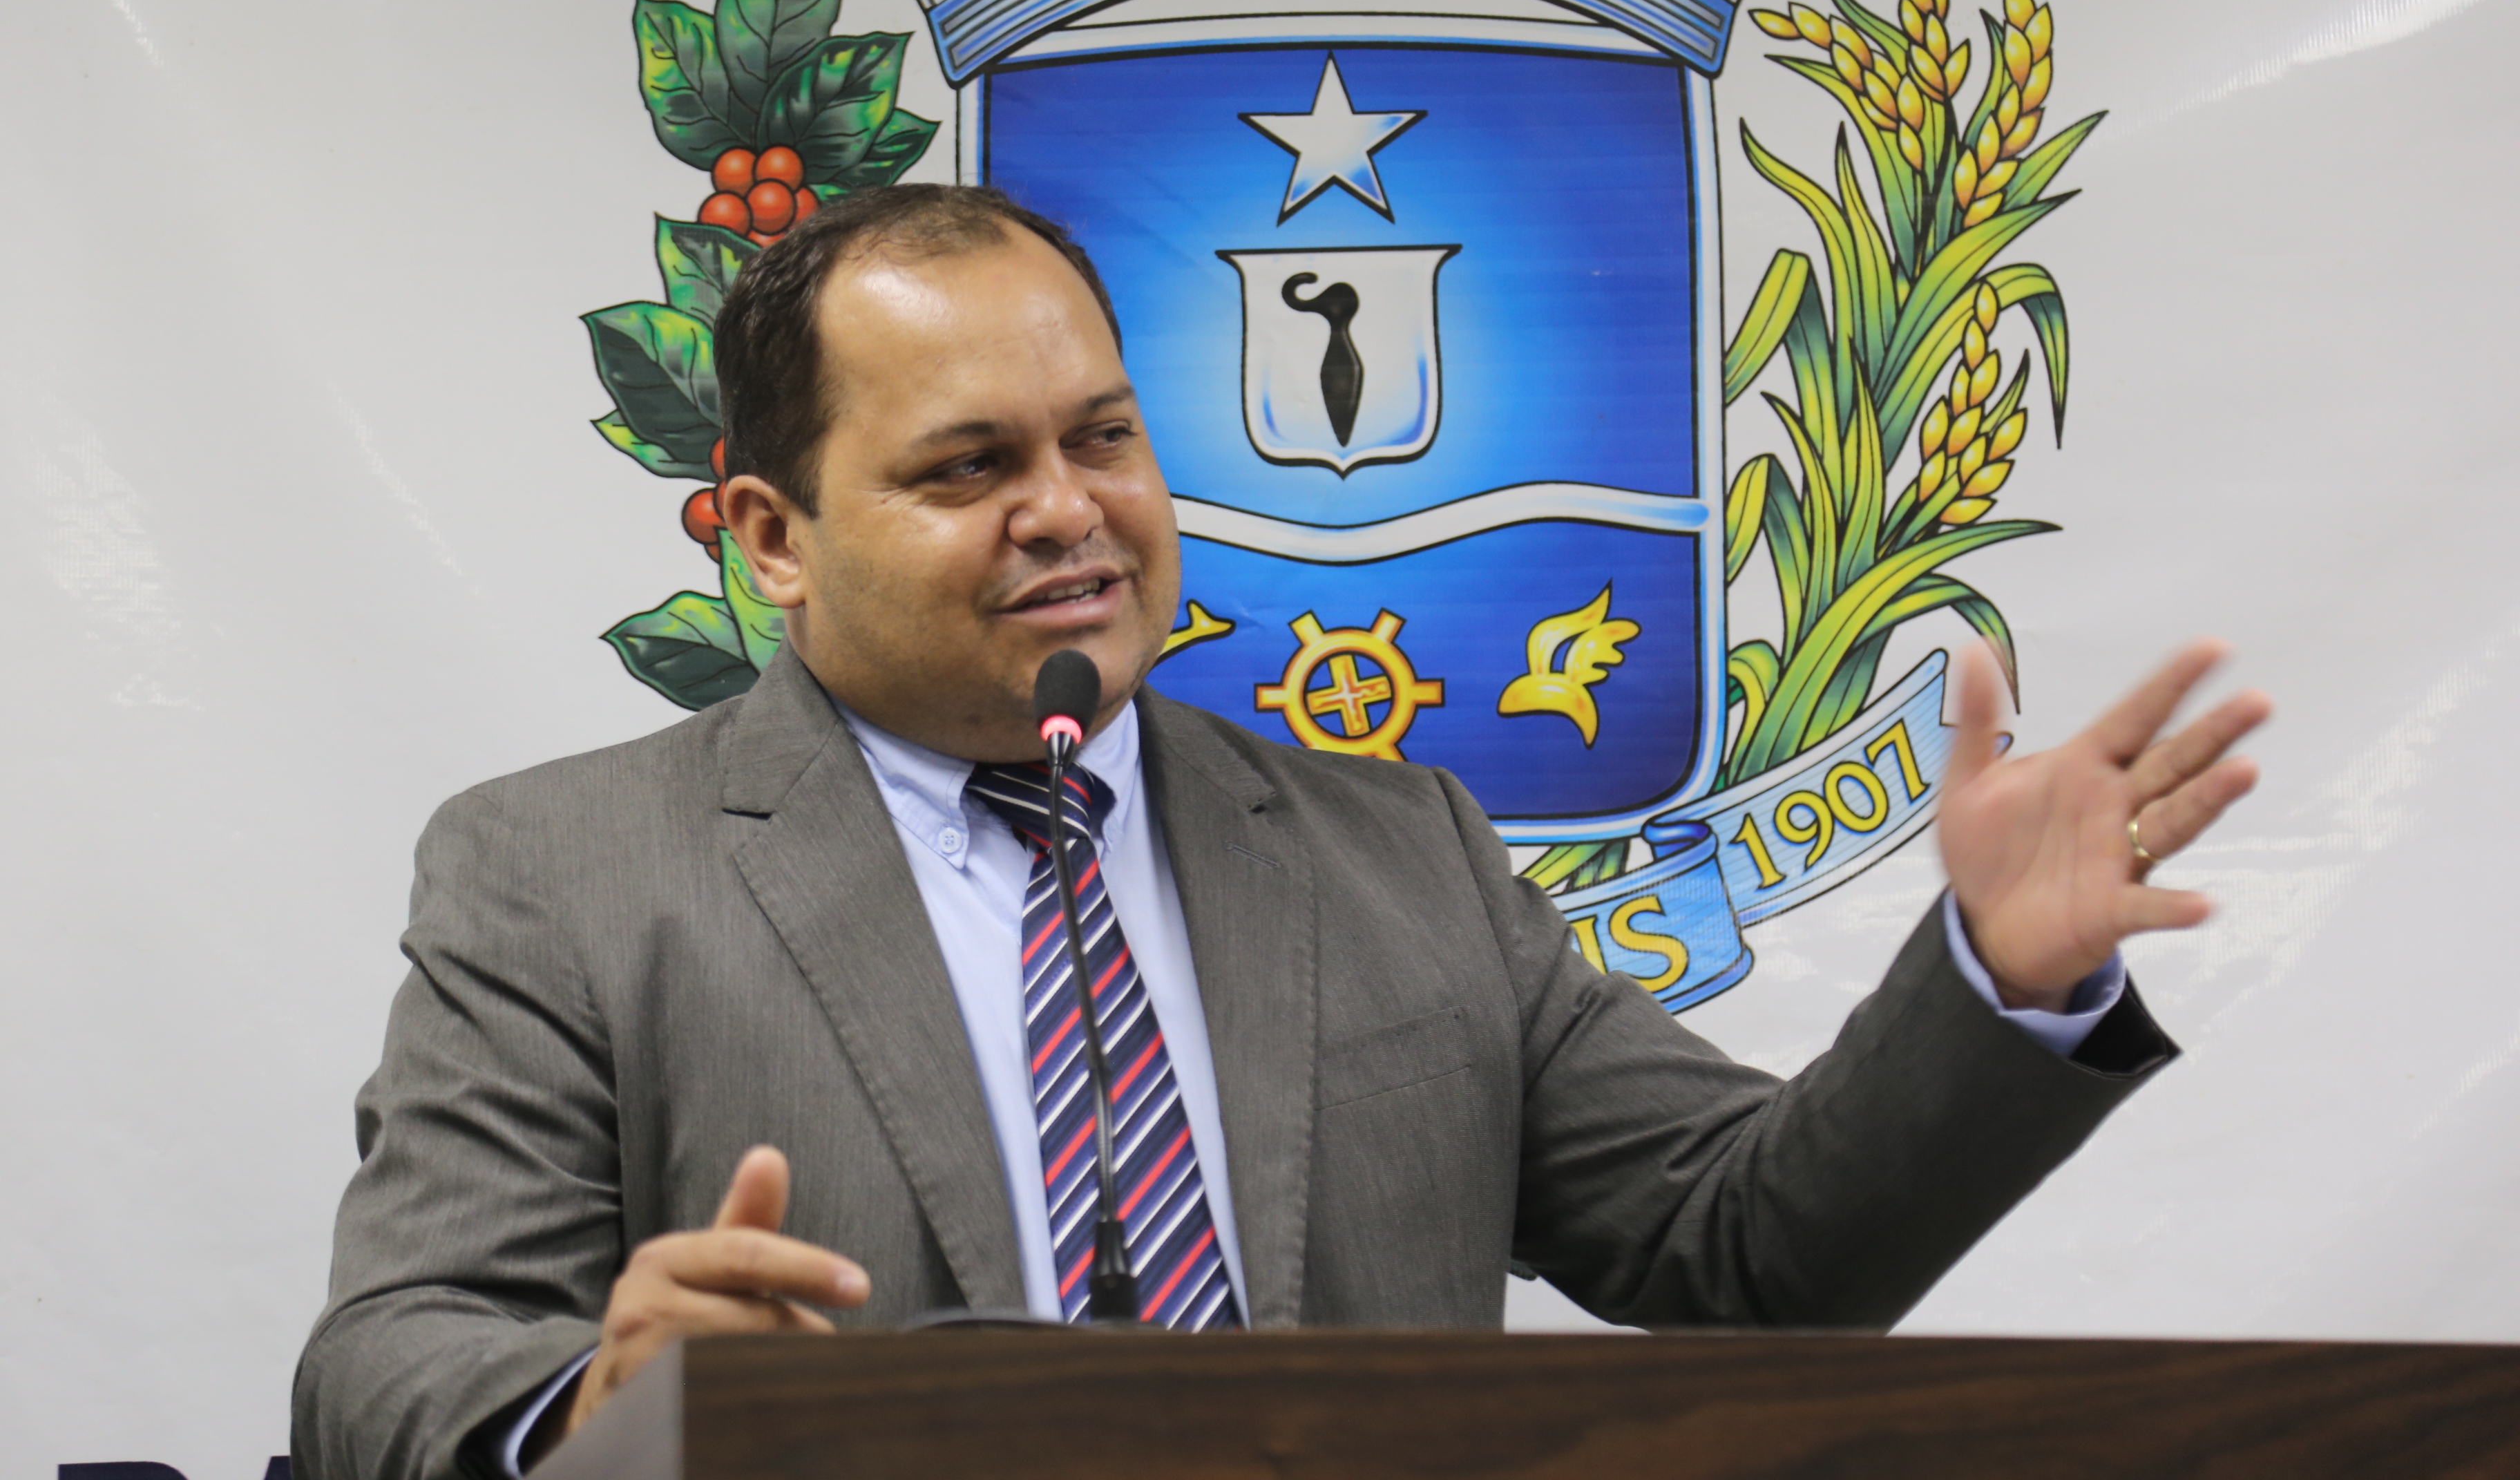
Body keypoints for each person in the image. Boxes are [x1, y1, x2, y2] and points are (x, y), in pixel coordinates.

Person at [290, 186, 2269, 1478]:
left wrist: (1998, 985)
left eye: (1102, 436)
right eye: (969, 467)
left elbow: (1744, 1252)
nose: (1070, 508)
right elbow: (388, 1362)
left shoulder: (1392, 844)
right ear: (771, 540)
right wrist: (591, 1410)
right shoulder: (562, 874)